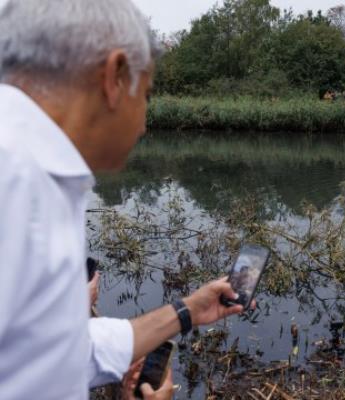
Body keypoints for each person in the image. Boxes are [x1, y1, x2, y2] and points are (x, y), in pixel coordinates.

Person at [0, 1, 247, 399]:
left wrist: (186, 312)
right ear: (115, 76)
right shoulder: (14, 187)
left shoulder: (38, 175)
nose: (145, 122)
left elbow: (51, 354)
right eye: (146, 93)